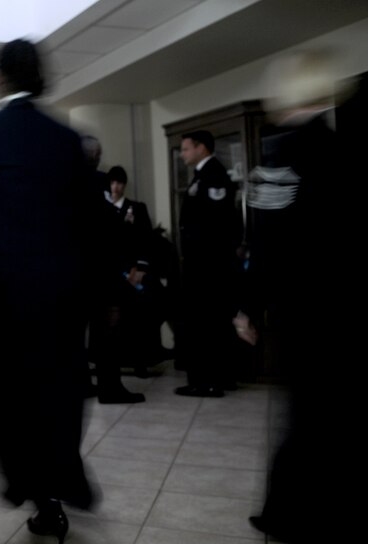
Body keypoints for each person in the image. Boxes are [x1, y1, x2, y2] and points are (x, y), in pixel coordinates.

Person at [0, 38, 94, 543]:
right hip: (67, 289)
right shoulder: (66, 139)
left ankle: (31, 487)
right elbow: (88, 218)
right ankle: (59, 484)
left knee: (14, 392)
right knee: (60, 388)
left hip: (14, 289)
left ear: (1, 79)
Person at [234, 50, 361, 543]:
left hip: (309, 309)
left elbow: (264, 241)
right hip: (347, 304)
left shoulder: (278, 156)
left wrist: (247, 305)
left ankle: (285, 514)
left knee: (306, 416)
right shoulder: (344, 151)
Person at [174, 130, 242, 397]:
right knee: (209, 322)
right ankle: (218, 378)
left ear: (201, 148)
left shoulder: (214, 175)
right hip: (205, 265)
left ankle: (208, 381)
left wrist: (202, 260)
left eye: (186, 149)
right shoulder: (203, 175)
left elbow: (217, 226)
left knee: (206, 324)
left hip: (208, 267)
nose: (182, 154)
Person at [88, 165, 149, 403]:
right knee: (108, 334)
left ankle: (107, 384)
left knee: (110, 333)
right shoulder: (101, 208)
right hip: (107, 277)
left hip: (110, 275)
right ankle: (109, 388)